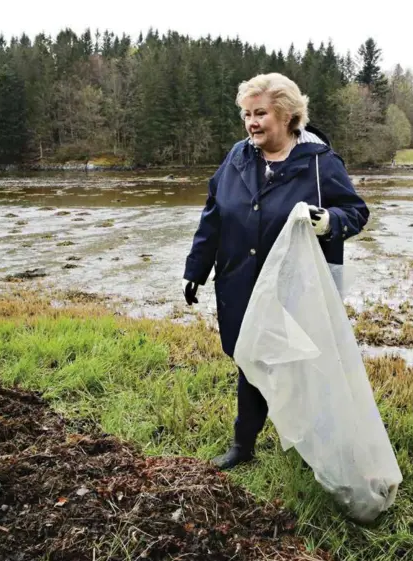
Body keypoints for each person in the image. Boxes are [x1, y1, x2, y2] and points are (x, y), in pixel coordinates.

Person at [182, 73, 369, 470]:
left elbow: (356, 211)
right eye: (246, 114)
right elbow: (214, 215)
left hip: (295, 291)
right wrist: (196, 269)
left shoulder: (320, 164)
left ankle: (315, 450)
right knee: (250, 364)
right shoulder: (237, 157)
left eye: (260, 113)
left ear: (286, 114)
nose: (251, 122)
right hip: (240, 284)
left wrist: (328, 221)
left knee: (302, 370)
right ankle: (242, 445)